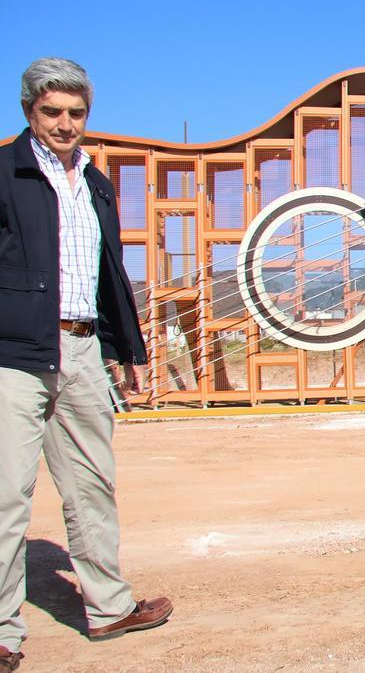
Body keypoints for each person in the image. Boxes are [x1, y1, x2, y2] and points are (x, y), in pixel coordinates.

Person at [0, 58, 173, 670]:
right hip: (13, 354)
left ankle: (108, 608)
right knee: (7, 496)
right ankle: (2, 632)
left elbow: (110, 278)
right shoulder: (4, 173)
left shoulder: (96, 184)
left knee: (93, 486)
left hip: (80, 350)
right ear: (29, 112)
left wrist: (129, 352)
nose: (65, 124)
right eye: (52, 112)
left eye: (76, 113)